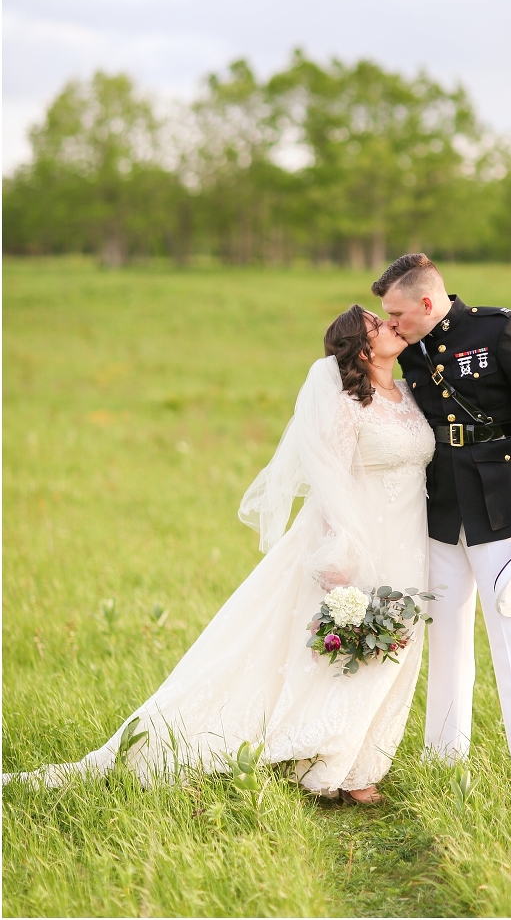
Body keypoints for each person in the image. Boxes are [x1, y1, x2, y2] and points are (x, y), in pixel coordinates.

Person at [3, 307, 435, 804]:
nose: (390, 324)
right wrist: (338, 555)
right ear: (362, 348)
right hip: (359, 541)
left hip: (407, 539)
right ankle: (341, 769)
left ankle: (356, 757)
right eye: (378, 323)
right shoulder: (344, 405)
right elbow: (330, 482)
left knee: (396, 646)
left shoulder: (407, 392)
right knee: (352, 643)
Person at [372, 254, 511, 776]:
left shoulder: (500, 329)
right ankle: (443, 757)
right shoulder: (409, 349)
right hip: (439, 505)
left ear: (427, 300)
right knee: (446, 635)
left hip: (502, 501)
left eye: (397, 313)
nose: (390, 324)